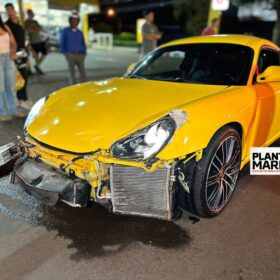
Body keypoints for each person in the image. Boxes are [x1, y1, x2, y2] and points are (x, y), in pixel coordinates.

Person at [5, 2, 32, 110]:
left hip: (23, 54)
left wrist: (28, 48)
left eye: (11, 9)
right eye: (8, 10)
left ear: (14, 10)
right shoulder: (7, 25)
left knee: (22, 77)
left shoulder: (18, 23)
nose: (10, 12)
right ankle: (22, 100)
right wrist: (13, 54)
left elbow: (23, 39)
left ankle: (20, 99)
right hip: (16, 55)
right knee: (21, 77)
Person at [0, 15, 25, 121]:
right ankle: (2, 113)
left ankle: (13, 110)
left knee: (11, 86)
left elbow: (13, 42)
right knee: (0, 88)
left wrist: (13, 52)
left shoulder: (5, 27)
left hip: (8, 58)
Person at [59, 12, 87, 85]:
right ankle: (72, 87)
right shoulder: (65, 31)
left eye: (76, 20)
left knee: (82, 72)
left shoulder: (80, 32)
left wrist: (84, 53)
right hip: (70, 54)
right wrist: (65, 53)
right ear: (70, 21)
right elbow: (61, 42)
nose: (75, 22)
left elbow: (83, 43)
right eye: (73, 20)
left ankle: (84, 86)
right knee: (72, 72)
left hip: (80, 55)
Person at [25, 9, 47, 75]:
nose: (32, 14)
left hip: (39, 40)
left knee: (44, 53)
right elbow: (29, 30)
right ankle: (38, 67)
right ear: (28, 14)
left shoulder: (35, 21)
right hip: (33, 42)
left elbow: (41, 28)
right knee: (36, 55)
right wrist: (36, 29)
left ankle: (37, 65)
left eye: (32, 12)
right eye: (31, 13)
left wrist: (35, 29)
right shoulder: (27, 22)